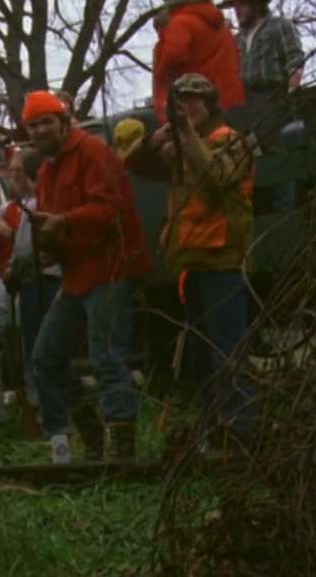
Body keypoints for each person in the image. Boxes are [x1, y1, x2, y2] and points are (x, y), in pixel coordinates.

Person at [124, 73, 257, 442]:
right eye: (180, 102)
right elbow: (132, 164)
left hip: (223, 262)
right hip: (195, 264)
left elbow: (215, 176)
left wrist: (185, 134)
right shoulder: (181, 145)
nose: (187, 107)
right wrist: (156, 138)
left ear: (210, 105)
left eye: (194, 100)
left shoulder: (228, 140)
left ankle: (241, 428)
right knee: (203, 357)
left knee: (227, 351)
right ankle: (214, 426)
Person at [22, 90, 151, 461]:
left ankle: (122, 450)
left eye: (47, 121)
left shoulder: (93, 152)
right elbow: (51, 224)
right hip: (77, 275)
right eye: (33, 125)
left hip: (111, 268)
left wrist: (63, 223)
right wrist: (49, 246)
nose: (40, 130)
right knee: (45, 357)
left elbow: (110, 209)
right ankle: (94, 438)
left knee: (107, 357)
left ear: (64, 122)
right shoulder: (45, 172)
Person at [0, 148, 60, 427]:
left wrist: (9, 234)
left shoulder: (41, 201)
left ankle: (44, 411)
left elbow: (27, 247)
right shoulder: (7, 206)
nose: (13, 176)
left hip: (37, 280)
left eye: (18, 170)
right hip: (8, 281)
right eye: (11, 171)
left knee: (37, 348)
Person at [219, 0, 306, 209]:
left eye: (242, 5)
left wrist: (291, 92)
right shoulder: (238, 39)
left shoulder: (279, 27)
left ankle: (285, 205)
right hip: (243, 100)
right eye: (235, 6)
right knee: (243, 151)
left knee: (275, 148)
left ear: (256, 5)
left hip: (270, 95)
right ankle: (255, 205)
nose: (237, 11)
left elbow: (294, 60)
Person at [152, 0, 244, 126]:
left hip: (199, 104)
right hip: (232, 99)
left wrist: (159, 68)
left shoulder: (180, 23)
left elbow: (172, 59)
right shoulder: (222, 27)